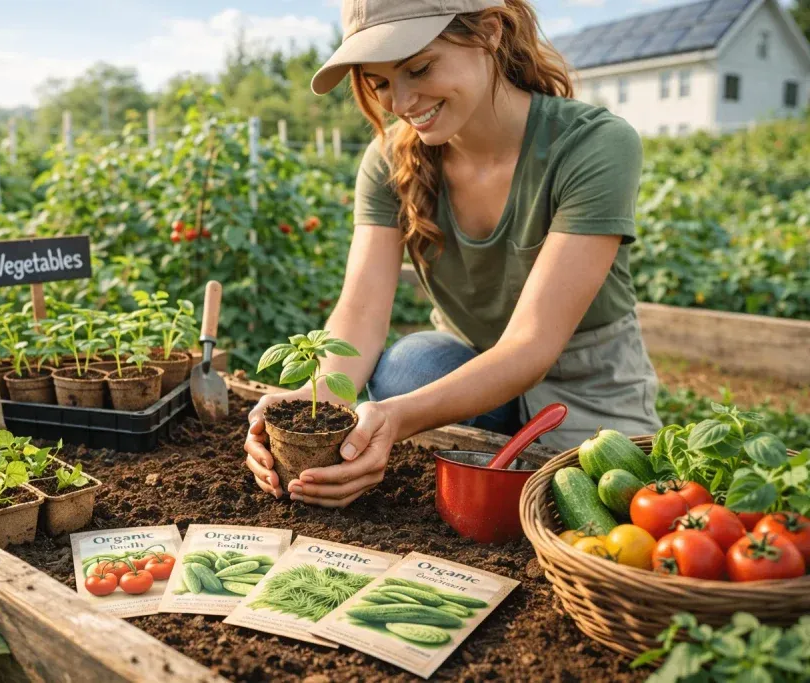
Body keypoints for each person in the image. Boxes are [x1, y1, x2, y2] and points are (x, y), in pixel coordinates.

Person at [244, 0, 662, 508]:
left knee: (605, 499)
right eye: (379, 84)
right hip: (468, 371)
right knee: (411, 367)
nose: (400, 102)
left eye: (419, 68)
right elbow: (358, 313)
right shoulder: (388, 162)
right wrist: (311, 410)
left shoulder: (593, 145)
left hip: (586, 381)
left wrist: (396, 416)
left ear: (488, 32)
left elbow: (531, 345)